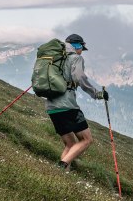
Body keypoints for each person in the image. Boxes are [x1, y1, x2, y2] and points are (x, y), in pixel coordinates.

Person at [46, 34, 108, 172]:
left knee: (70, 144)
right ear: (77, 46)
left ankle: (60, 175)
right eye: (81, 48)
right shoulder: (76, 58)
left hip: (51, 106)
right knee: (87, 139)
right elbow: (80, 78)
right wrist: (97, 94)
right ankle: (62, 165)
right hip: (67, 106)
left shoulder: (54, 58)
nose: (81, 51)